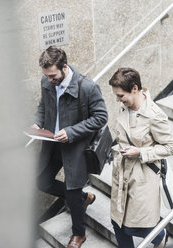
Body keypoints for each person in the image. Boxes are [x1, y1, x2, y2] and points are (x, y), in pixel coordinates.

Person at [32, 46, 108, 248]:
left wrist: (71, 132)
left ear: (64, 67)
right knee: (41, 181)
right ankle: (85, 198)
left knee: (72, 191)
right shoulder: (46, 81)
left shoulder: (88, 87)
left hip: (76, 147)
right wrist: (37, 123)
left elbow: (101, 117)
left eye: (53, 75)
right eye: (46, 75)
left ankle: (79, 234)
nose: (49, 79)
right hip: (52, 144)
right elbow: (43, 106)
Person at [108, 68, 173, 248]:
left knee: (136, 225)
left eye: (120, 95)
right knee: (118, 222)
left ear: (135, 89)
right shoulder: (125, 106)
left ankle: (160, 237)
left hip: (142, 176)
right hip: (122, 172)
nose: (117, 100)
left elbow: (170, 147)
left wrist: (140, 152)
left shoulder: (155, 115)